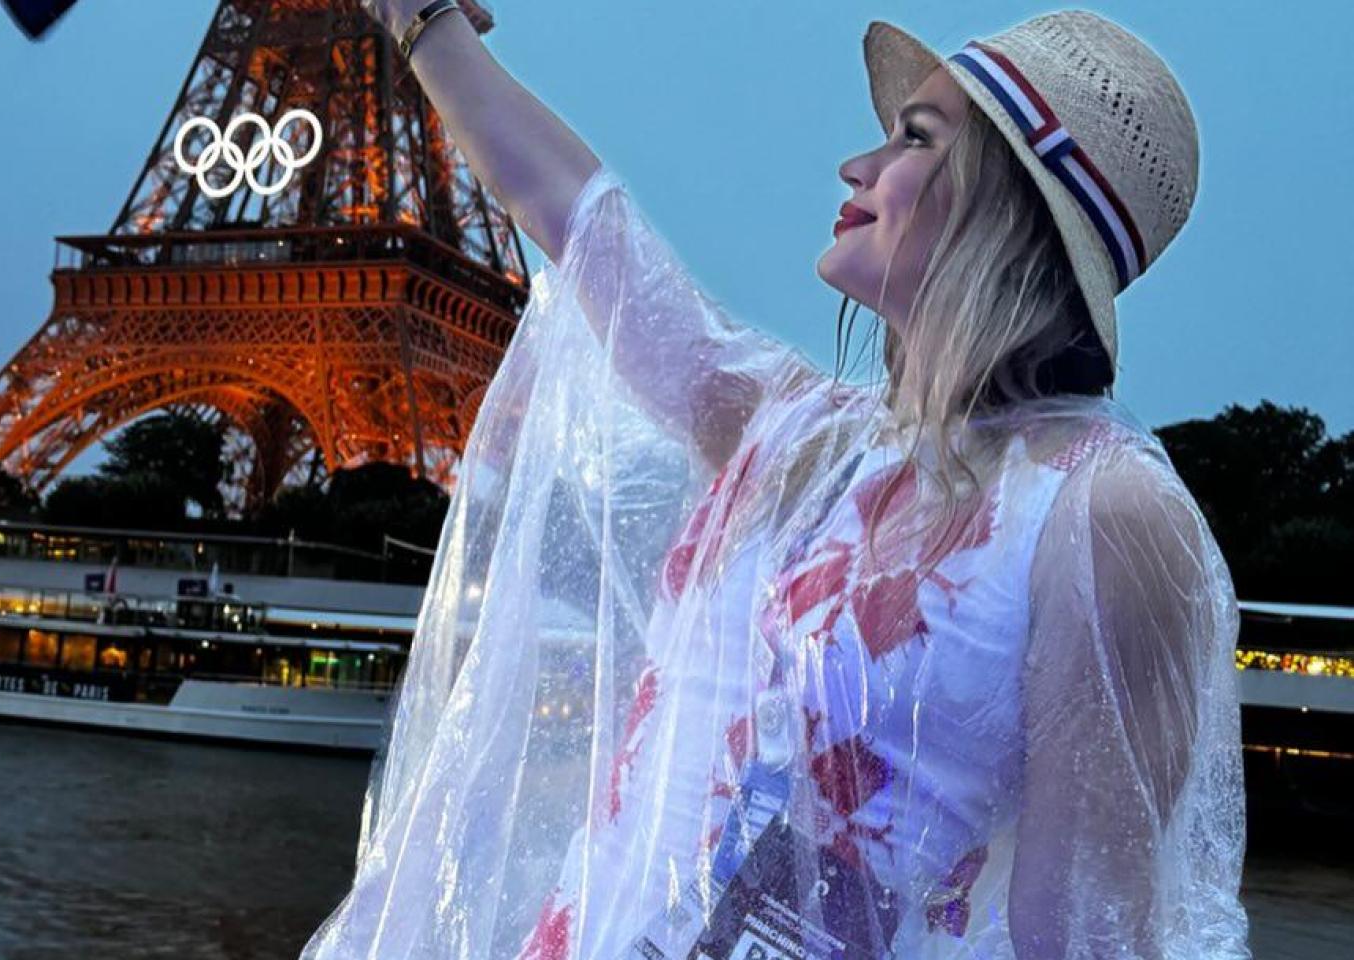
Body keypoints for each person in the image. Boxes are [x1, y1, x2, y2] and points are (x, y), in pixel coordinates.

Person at [305, 5, 1249, 959]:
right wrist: (420, 21)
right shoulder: (803, 440)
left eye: (915, 138)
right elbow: (577, 218)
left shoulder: (1102, 510)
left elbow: (1087, 932)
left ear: (1011, 206)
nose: (858, 167)